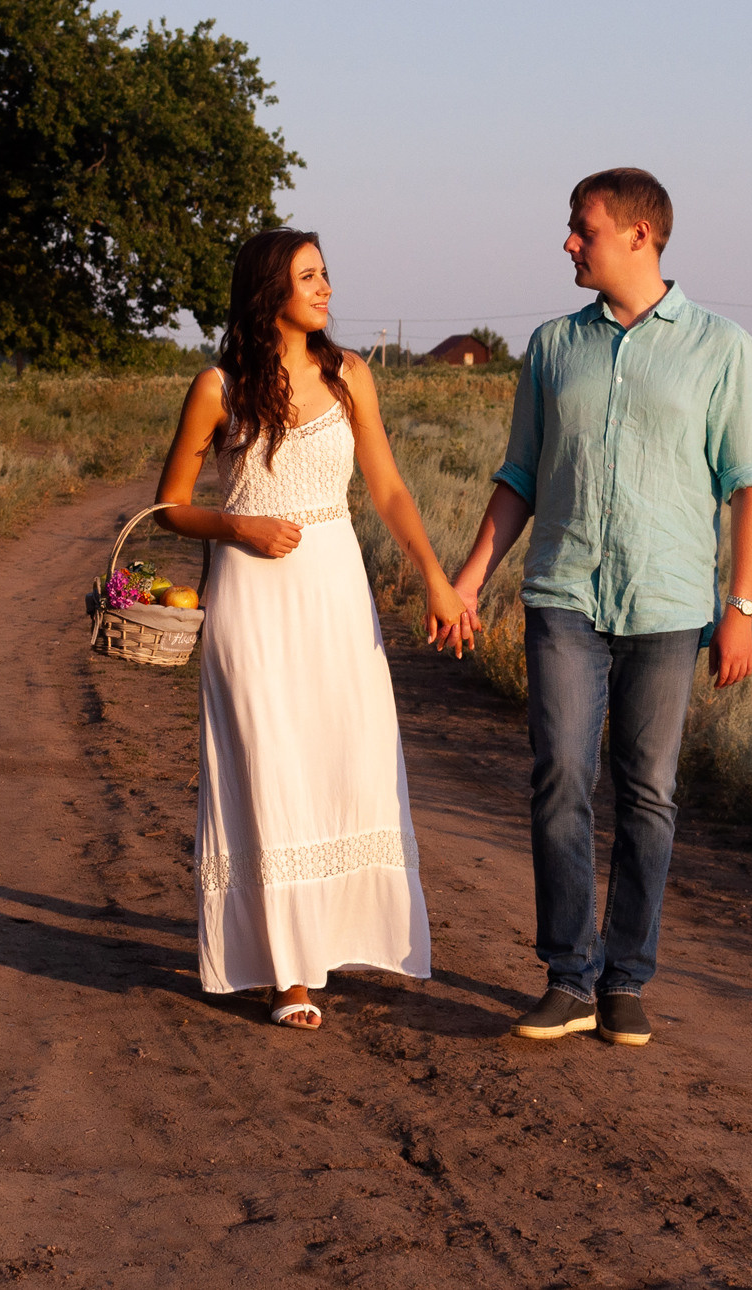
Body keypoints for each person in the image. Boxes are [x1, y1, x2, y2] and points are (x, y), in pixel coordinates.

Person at [449, 168, 752, 1046]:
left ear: (639, 235)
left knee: (650, 794)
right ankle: (569, 976)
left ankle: (627, 979)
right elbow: (519, 473)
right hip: (564, 590)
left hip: (669, 603)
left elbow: (749, 486)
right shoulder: (554, 346)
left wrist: (738, 607)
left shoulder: (721, 347)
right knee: (559, 776)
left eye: (580, 228)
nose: (567, 242)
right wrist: (474, 574)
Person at [152, 229, 472, 1029]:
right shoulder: (218, 388)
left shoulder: (350, 374)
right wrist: (237, 528)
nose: (326, 287)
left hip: (334, 588)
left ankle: (340, 935)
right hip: (252, 599)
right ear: (270, 291)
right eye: (308, 276)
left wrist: (436, 579)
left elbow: (390, 490)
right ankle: (290, 974)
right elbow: (170, 505)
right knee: (270, 765)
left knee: (345, 756)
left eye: (326, 273)